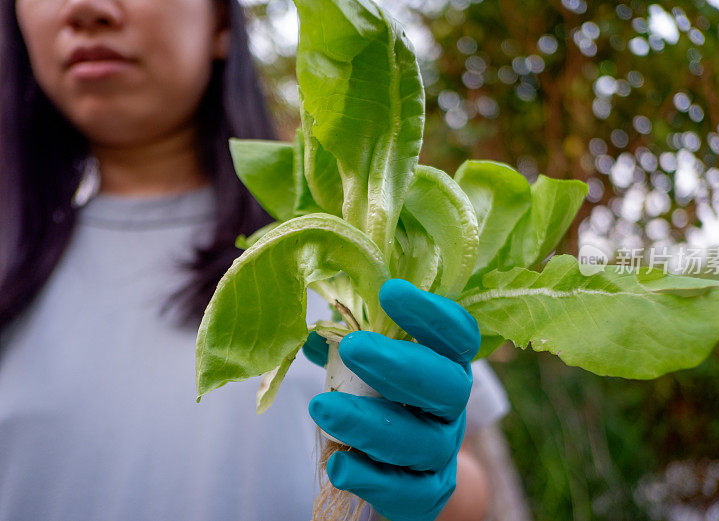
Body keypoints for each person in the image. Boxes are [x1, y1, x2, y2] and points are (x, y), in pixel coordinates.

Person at [0, 1, 510, 520]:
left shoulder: (361, 245)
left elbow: (477, 484)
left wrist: (429, 483)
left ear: (221, 23)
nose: (87, 9)